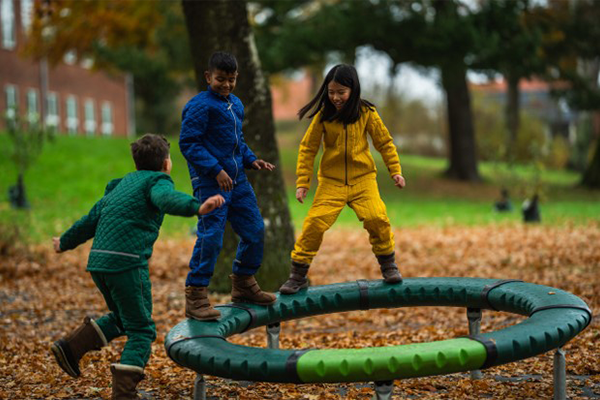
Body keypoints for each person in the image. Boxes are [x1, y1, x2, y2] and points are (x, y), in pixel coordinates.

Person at [50, 134, 224, 399]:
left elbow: (89, 221)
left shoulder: (120, 186)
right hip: (126, 263)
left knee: (124, 318)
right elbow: (166, 199)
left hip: (99, 263)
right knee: (141, 330)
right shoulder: (158, 181)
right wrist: (197, 207)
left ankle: (72, 348)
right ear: (166, 163)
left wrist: (64, 242)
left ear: (137, 163)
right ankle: (124, 393)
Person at [279, 64, 406, 295]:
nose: (335, 97)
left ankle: (388, 265)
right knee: (314, 223)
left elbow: (384, 143)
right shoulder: (324, 117)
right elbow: (308, 148)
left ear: (353, 90)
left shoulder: (367, 113)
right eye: (331, 92)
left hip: (363, 180)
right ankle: (297, 276)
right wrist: (302, 182)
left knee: (376, 217)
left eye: (341, 92)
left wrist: (395, 170)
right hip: (331, 182)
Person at [179, 51, 276, 321]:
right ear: (208, 76)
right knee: (211, 236)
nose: (226, 85)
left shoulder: (236, 104)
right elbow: (189, 143)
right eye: (220, 79)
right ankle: (196, 295)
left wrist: (251, 160)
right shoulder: (199, 105)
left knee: (255, 230)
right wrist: (216, 170)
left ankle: (244, 283)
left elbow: (236, 142)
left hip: (238, 181)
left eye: (231, 80)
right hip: (211, 183)